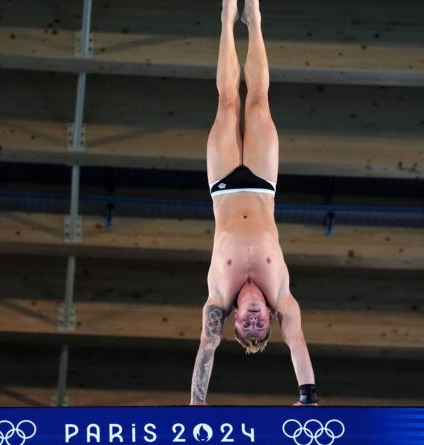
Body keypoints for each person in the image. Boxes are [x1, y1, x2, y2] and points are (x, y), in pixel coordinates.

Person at [189, 0, 317, 406]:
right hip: (262, 185)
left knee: (228, 101)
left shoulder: (217, 299)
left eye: (248, 324)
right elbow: (296, 340)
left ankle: (228, 20)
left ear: (236, 321)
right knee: (258, 100)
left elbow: (207, 350)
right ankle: (255, 20)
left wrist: (196, 406)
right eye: (262, 324)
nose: (255, 318)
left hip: (223, 186)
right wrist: (307, 397)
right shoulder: (281, 294)